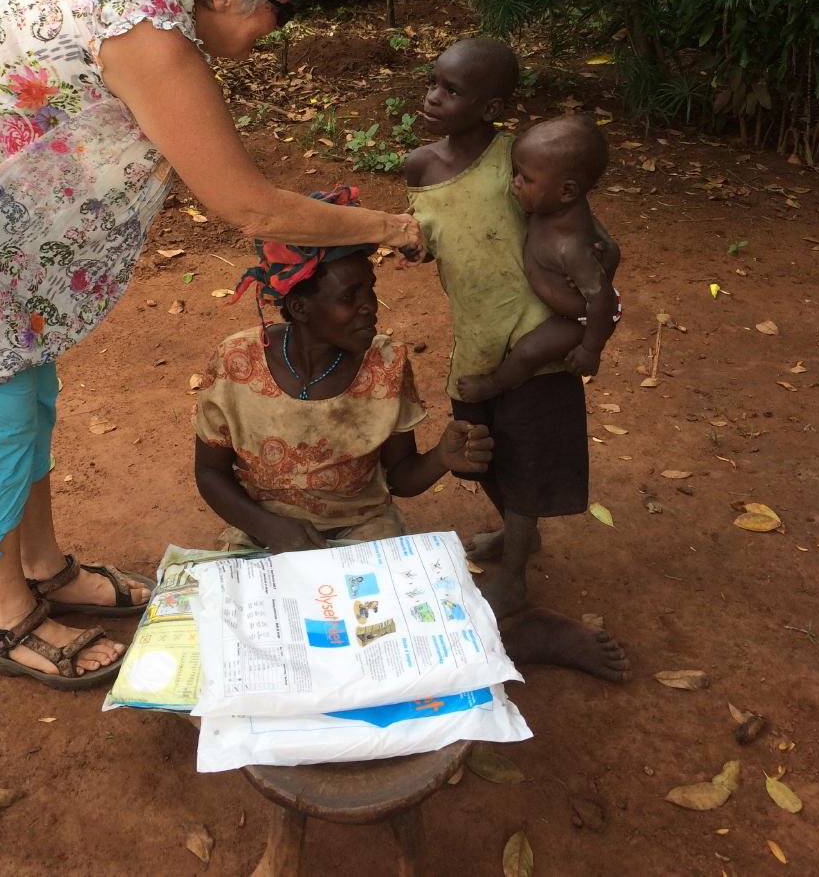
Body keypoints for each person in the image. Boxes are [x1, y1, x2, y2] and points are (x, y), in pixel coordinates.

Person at [0, 0, 422, 689]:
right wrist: (392, 227)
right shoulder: (148, 35)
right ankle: (5, 617)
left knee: (29, 388)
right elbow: (248, 205)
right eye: (280, 10)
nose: (275, 30)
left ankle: (44, 568)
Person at [403, 38, 629, 683]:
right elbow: (433, 233)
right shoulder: (419, 167)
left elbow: (592, 238)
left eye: (452, 90)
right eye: (433, 83)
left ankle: (515, 574)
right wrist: (418, 245)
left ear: (493, 107)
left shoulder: (522, 157)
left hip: (536, 345)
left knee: (530, 454)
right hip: (477, 337)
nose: (433, 98)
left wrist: (585, 306)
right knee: (484, 445)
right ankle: (514, 530)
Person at [193, 189, 492, 553]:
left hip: (361, 526)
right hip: (262, 526)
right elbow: (210, 472)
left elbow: (400, 477)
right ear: (300, 308)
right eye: (350, 297)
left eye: (370, 290)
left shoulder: (385, 365)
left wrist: (441, 458)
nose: (370, 307)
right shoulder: (237, 362)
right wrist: (268, 527)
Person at [455, 114, 620, 403]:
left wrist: (591, 348)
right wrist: (608, 258)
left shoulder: (570, 246)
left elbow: (602, 301)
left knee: (528, 351)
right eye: (516, 172)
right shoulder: (562, 206)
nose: (516, 182)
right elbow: (609, 244)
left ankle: (495, 384)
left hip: (583, 319)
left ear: (566, 191)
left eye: (526, 178)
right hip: (587, 302)